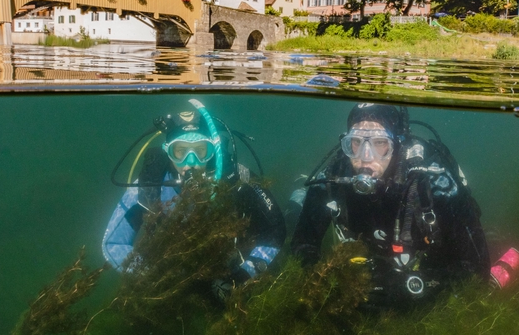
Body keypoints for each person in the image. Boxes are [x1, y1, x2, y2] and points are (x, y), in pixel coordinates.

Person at [291, 103, 490, 305]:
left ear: (396, 145)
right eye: (356, 142)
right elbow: (303, 243)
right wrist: (327, 284)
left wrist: (406, 288)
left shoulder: (433, 179)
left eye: (379, 143)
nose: (365, 157)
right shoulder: (334, 175)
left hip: (425, 265)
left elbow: (476, 270)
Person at [102, 98, 286, 295]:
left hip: (229, 269)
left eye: (200, 151)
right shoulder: (150, 186)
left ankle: (296, 200)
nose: (191, 162)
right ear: (168, 152)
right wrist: (153, 278)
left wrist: (245, 274)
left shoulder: (235, 177)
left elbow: (275, 230)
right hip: (175, 273)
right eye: (180, 151)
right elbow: (113, 243)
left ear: (212, 152)